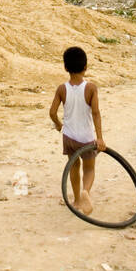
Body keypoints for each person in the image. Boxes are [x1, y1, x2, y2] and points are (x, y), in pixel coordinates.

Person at [48, 46, 105, 215]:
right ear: (86, 67)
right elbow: (95, 113)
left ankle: (76, 200)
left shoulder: (61, 88)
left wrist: (58, 124)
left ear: (65, 67)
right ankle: (85, 191)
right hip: (85, 137)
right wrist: (100, 138)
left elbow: (52, 112)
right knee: (89, 168)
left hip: (69, 136)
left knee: (73, 166)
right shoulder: (91, 88)